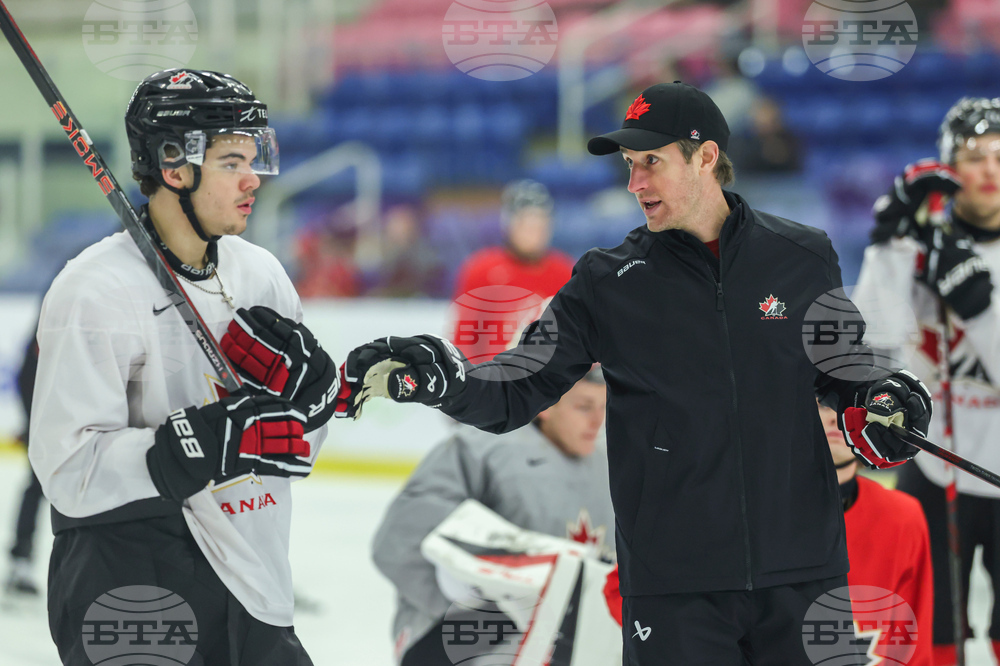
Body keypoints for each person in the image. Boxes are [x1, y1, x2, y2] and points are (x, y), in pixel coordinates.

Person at [341, 81, 933, 664]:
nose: (635, 183)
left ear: (706, 158)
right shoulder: (607, 282)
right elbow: (519, 387)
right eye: (629, 164)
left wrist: (885, 400)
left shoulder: (802, 256)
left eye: (651, 161)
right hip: (674, 591)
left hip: (805, 575)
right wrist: (453, 383)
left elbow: (848, 375)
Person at [29, 69, 343, 665]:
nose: (254, 178)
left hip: (252, 575)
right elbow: (66, 469)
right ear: (174, 167)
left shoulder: (261, 274)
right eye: (231, 162)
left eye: (255, 157)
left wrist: (313, 402)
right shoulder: (94, 289)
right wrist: (195, 445)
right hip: (130, 582)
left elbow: (291, 445)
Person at [853, 96, 1000, 665]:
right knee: (932, 628)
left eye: (998, 154)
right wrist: (886, 242)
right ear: (948, 167)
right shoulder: (925, 246)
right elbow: (872, 349)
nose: (988, 169)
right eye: (973, 155)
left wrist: (979, 309)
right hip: (937, 467)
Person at [371, 367, 614, 665]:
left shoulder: (611, 464)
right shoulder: (478, 449)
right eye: (583, 407)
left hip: (567, 642)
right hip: (468, 640)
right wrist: (482, 618)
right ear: (546, 406)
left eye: (604, 407)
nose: (597, 421)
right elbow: (400, 541)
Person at [819, 400, 934, 664]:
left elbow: (914, 646)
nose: (836, 418)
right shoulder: (758, 514)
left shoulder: (902, 517)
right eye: (823, 405)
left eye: (852, 405)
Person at [450, 179, 574, 364]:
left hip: (549, 384)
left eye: (540, 221)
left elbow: (576, 342)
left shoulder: (566, 273)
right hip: (492, 380)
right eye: (526, 221)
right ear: (509, 223)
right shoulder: (480, 271)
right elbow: (463, 342)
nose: (534, 230)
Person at [4, 333, 43, 598]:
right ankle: (21, 561)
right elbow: (26, 375)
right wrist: (36, 423)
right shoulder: (58, 308)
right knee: (37, 485)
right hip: (51, 427)